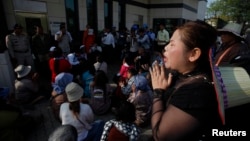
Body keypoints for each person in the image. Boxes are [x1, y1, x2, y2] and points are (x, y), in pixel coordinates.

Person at [149, 20, 223, 141]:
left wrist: (158, 92)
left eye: (172, 44)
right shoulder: (183, 75)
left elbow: (159, 135)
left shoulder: (197, 91)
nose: (165, 47)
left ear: (193, 54)